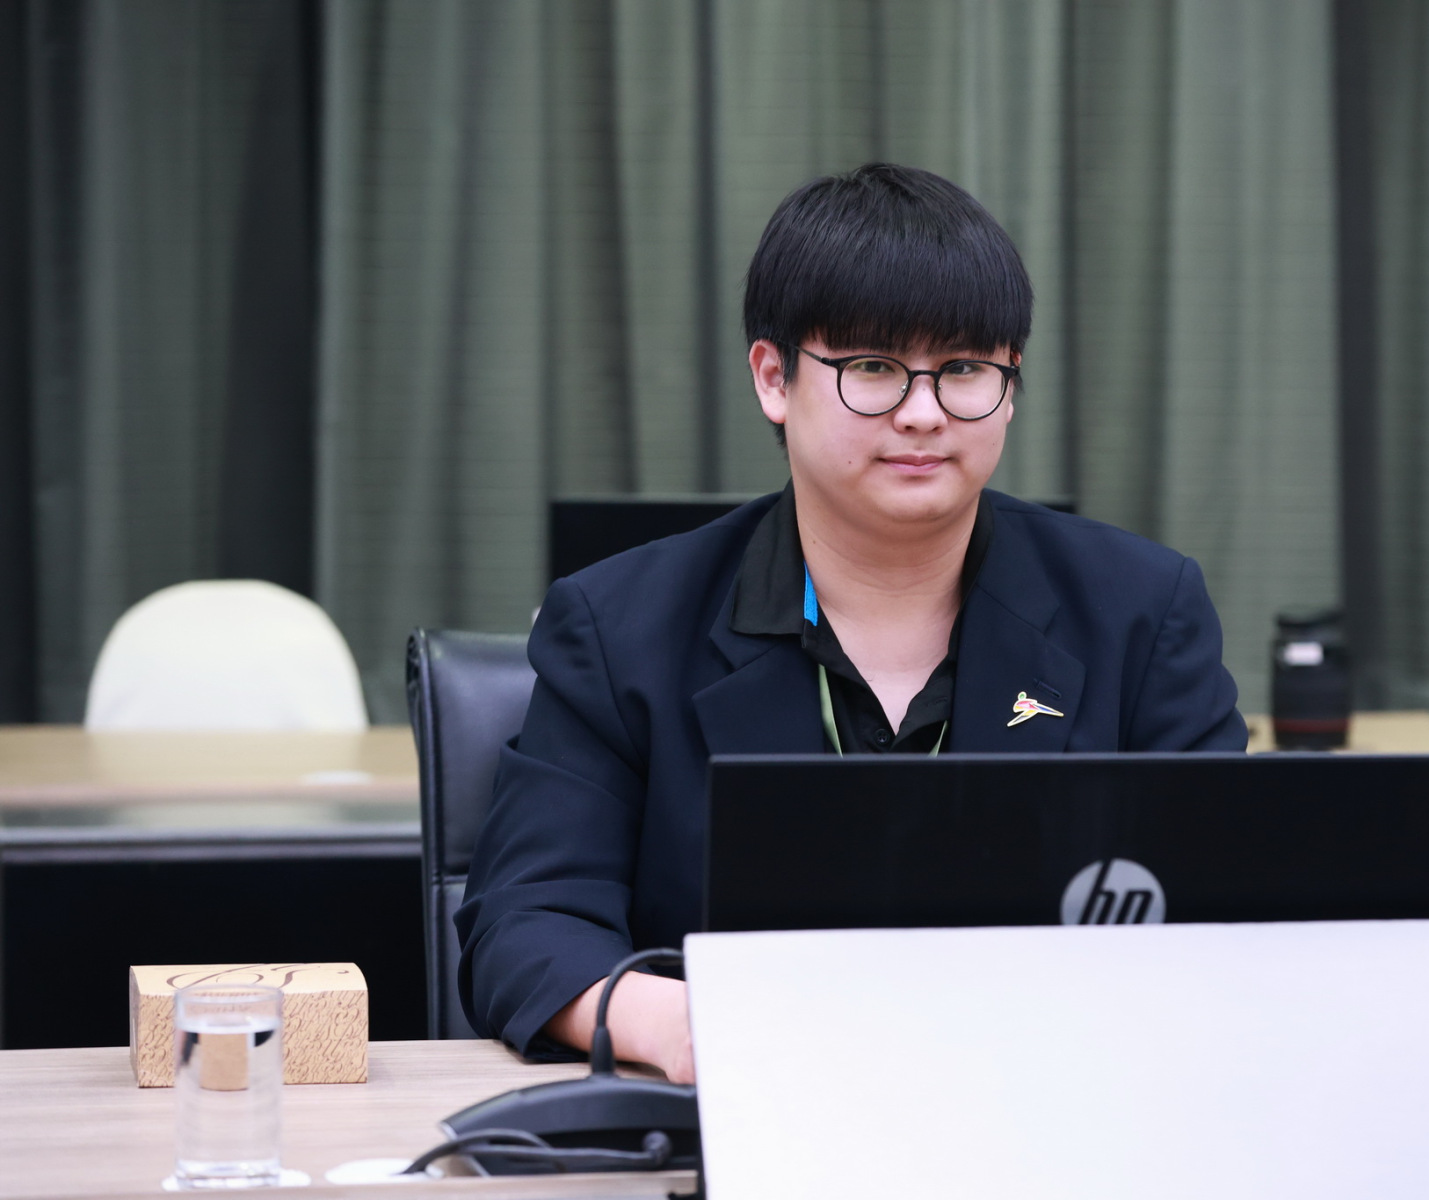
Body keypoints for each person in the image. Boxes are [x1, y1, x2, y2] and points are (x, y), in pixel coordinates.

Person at [455, 163, 1247, 1082]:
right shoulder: (619, 628)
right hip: (744, 1110)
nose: (924, 414)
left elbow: (1235, 915)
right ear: (774, 378)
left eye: (964, 370)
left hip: (1062, 1104)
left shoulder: (1141, 612)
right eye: (874, 369)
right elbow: (526, 924)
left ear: (1010, 385)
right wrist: (684, 1027)